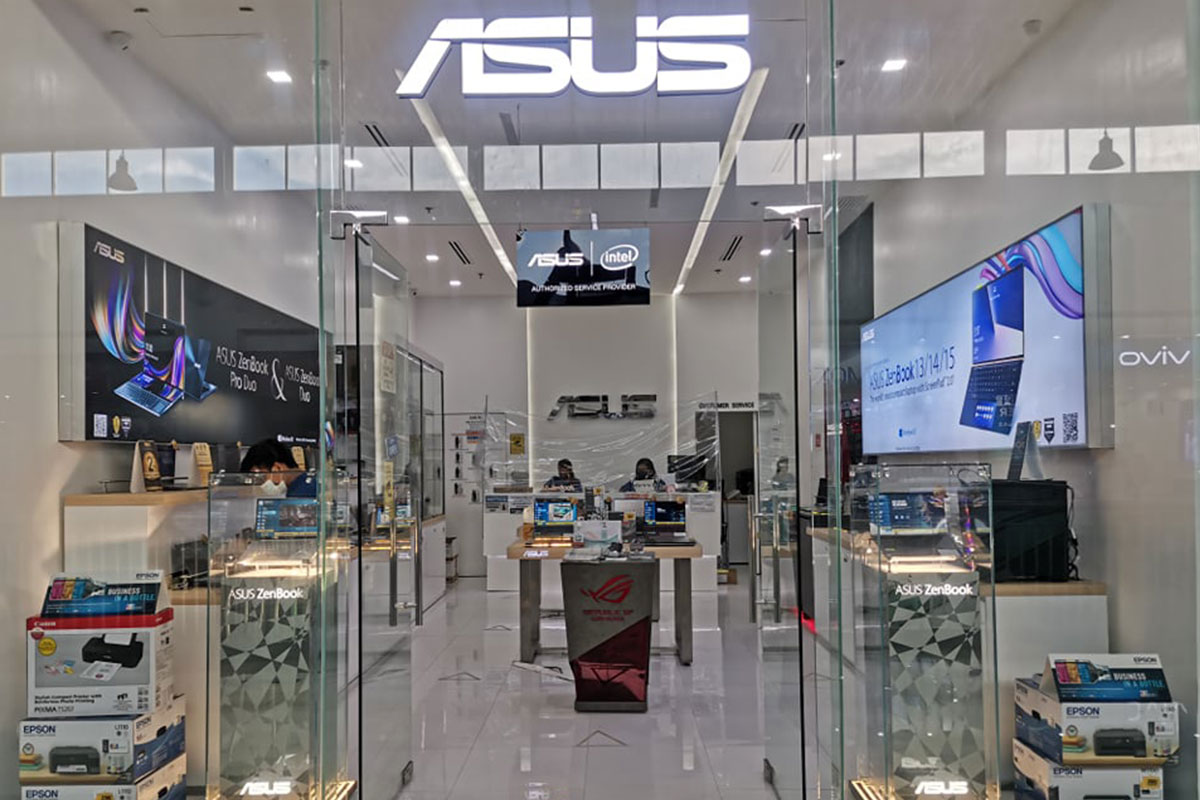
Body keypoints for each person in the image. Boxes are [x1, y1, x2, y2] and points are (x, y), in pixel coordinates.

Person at [240, 438, 316, 497]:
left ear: (277, 468)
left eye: (261, 478)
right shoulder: (310, 482)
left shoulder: (300, 494)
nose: (262, 485)